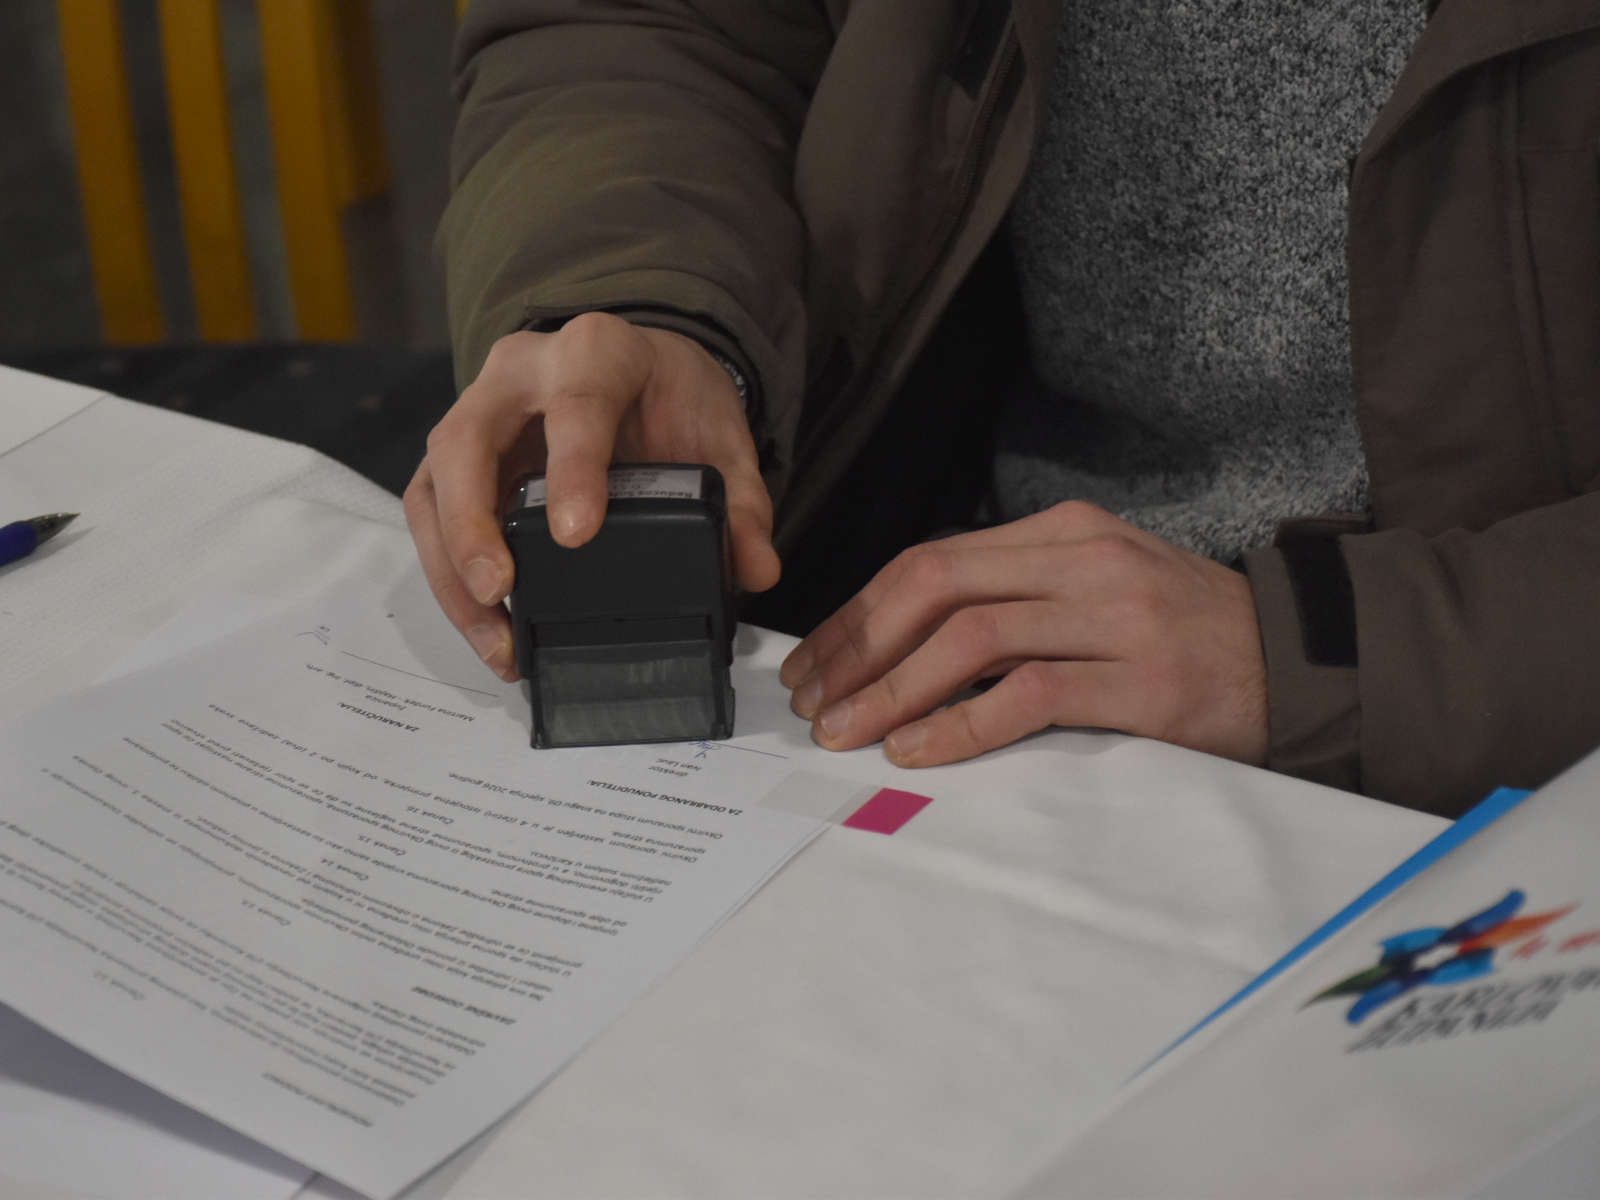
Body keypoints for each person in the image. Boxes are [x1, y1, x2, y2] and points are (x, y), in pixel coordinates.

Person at [405, 0, 1600, 819]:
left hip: (1481, 785)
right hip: (921, 613)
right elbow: (650, 23)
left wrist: (1328, 654)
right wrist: (644, 300)